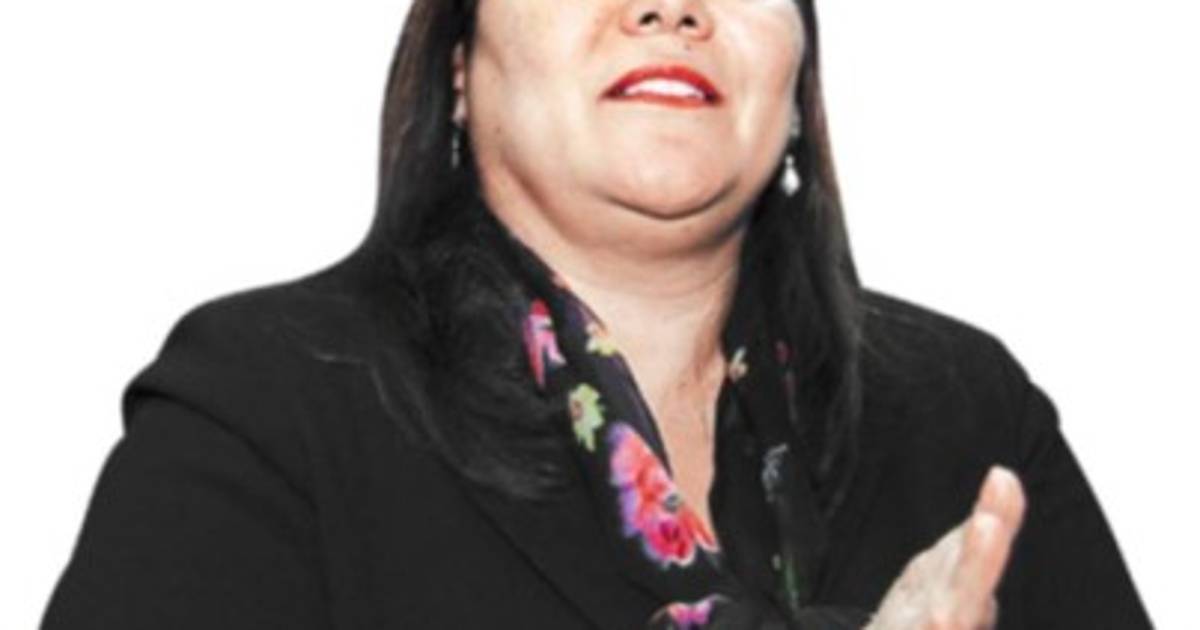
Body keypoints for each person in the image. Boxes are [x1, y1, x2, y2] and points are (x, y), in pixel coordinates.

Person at [41, 0, 1152, 628]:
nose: (672, 7)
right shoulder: (267, 406)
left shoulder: (967, 413)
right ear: (459, 66)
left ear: (797, 88)